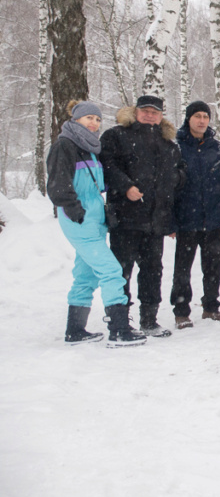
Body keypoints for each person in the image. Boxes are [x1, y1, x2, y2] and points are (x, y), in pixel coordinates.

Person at [47, 100, 146, 347]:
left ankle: (75, 330)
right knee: (111, 271)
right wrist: (75, 212)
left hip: (94, 219)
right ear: (76, 120)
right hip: (80, 219)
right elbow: (58, 185)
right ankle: (119, 329)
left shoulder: (89, 148)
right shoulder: (65, 146)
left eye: (98, 119)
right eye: (89, 118)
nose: (94, 123)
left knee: (87, 274)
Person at [100, 94, 185, 338]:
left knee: (152, 270)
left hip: (155, 220)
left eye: (155, 112)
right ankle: (119, 320)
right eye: (145, 110)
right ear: (136, 112)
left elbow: (181, 174)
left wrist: (175, 180)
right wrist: (125, 186)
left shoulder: (169, 144)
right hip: (126, 218)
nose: (150, 115)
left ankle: (149, 319)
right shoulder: (116, 136)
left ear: (161, 116)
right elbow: (107, 164)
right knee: (121, 271)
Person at [170, 101, 220, 328]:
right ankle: (181, 312)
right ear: (189, 119)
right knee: (182, 269)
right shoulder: (176, 147)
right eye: (197, 116)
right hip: (186, 219)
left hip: (213, 218)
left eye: (205, 116)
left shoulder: (217, 148)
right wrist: (170, 220)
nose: (202, 120)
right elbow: (169, 187)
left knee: (213, 266)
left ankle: (211, 307)